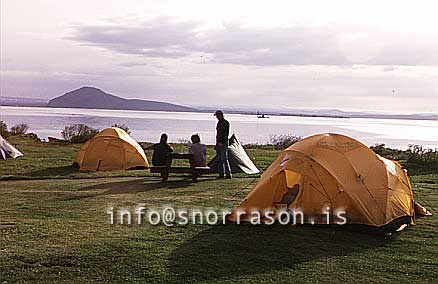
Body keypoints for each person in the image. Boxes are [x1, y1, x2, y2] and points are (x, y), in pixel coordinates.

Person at [214, 110, 232, 179]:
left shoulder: (225, 123)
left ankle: (228, 174)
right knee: (219, 159)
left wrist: (222, 142)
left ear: (221, 115)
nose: (217, 117)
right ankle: (221, 174)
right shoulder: (219, 123)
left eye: (217, 115)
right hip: (219, 142)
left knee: (224, 159)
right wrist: (217, 143)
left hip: (223, 143)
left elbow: (225, 134)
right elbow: (218, 134)